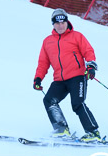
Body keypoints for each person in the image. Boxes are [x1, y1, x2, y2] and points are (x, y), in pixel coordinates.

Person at [33, 8, 102, 142]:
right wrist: (38, 78)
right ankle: (61, 129)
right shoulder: (47, 41)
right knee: (49, 100)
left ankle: (93, 133)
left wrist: (91, 66)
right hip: (60, 79)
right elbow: (43, 62)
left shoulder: (77, 36)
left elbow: (88, 51)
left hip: (77, 76)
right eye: (57, 23)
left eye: (63, 22)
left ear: (67, 22)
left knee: (77, 103)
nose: (60, 25)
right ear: (53, 24)